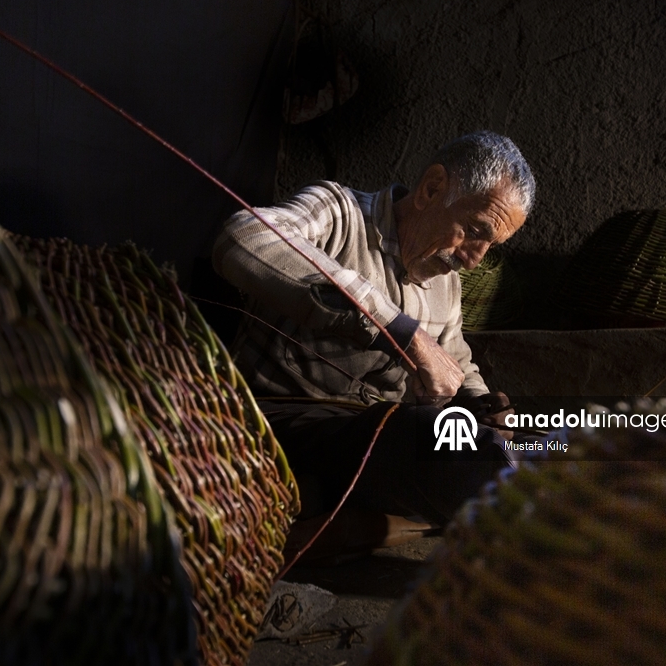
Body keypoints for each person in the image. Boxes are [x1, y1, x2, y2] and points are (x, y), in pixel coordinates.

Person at [213, 131, 534, 531]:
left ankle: (365, 520)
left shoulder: (445, 279)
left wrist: (481, 403)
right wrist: (401, 331)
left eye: (491, 244)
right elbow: (241, 238)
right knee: (438, 445)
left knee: (525, 447)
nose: (473, 260)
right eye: (474, 230)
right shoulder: (339, 212)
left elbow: (454, 357)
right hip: (275, 420)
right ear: (432, 189)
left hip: (370, 440)